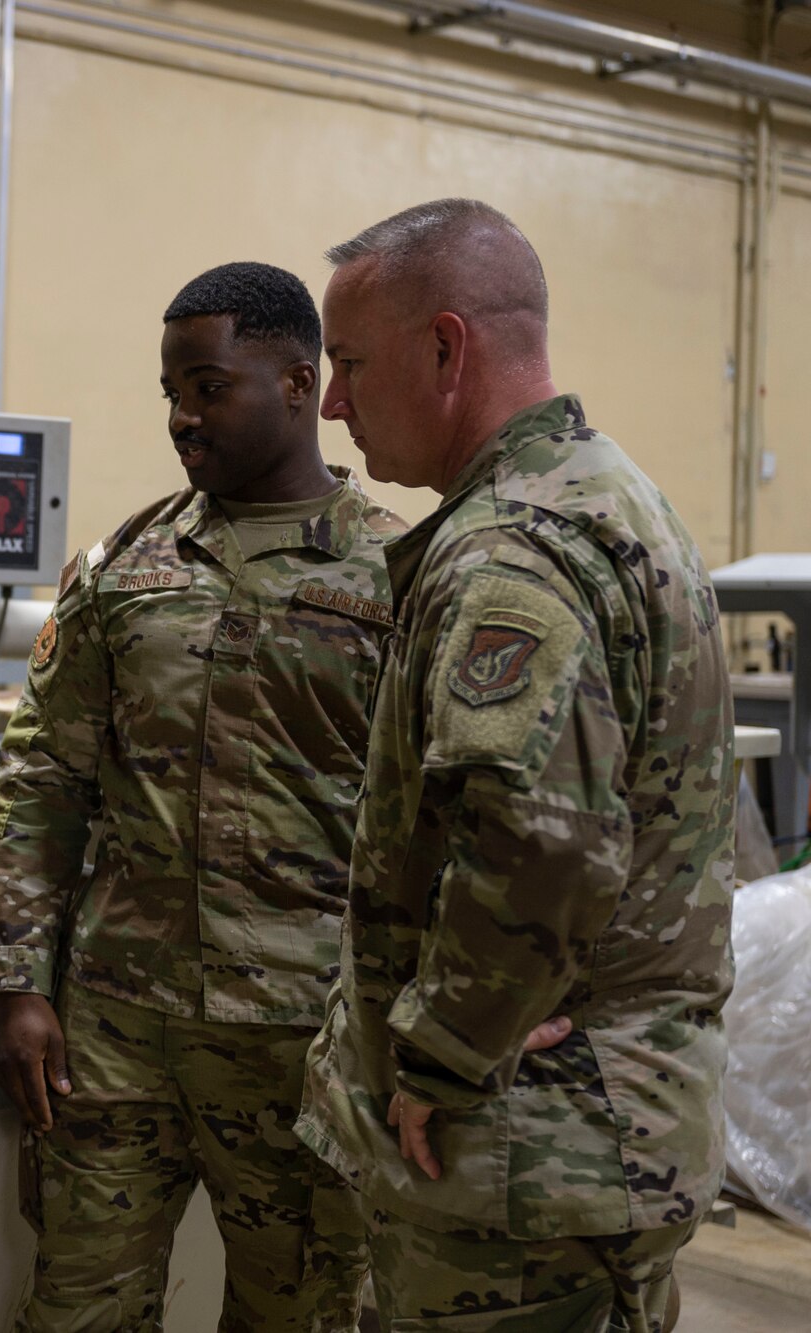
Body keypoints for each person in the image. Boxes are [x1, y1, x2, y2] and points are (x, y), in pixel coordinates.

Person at [295, 198, 735, 1331]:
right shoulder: (614, 497)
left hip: (519, 1162)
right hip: (612, 1133)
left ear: (444, 348)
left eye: (347, 363)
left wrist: (442, 1052)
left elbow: (536, 840)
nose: (331, 402)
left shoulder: (511, 548)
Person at [0, 261, 406, 1332]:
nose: (180, 416)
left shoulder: (397, 574)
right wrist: (19, 981)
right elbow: (42, 778)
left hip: (303, 1044)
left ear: (298, 383)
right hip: (117, 1040)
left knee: (297, 1317)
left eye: (208, 387)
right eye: (169, 390)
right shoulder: (125, 565)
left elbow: (432, 826)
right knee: (72, 1310)